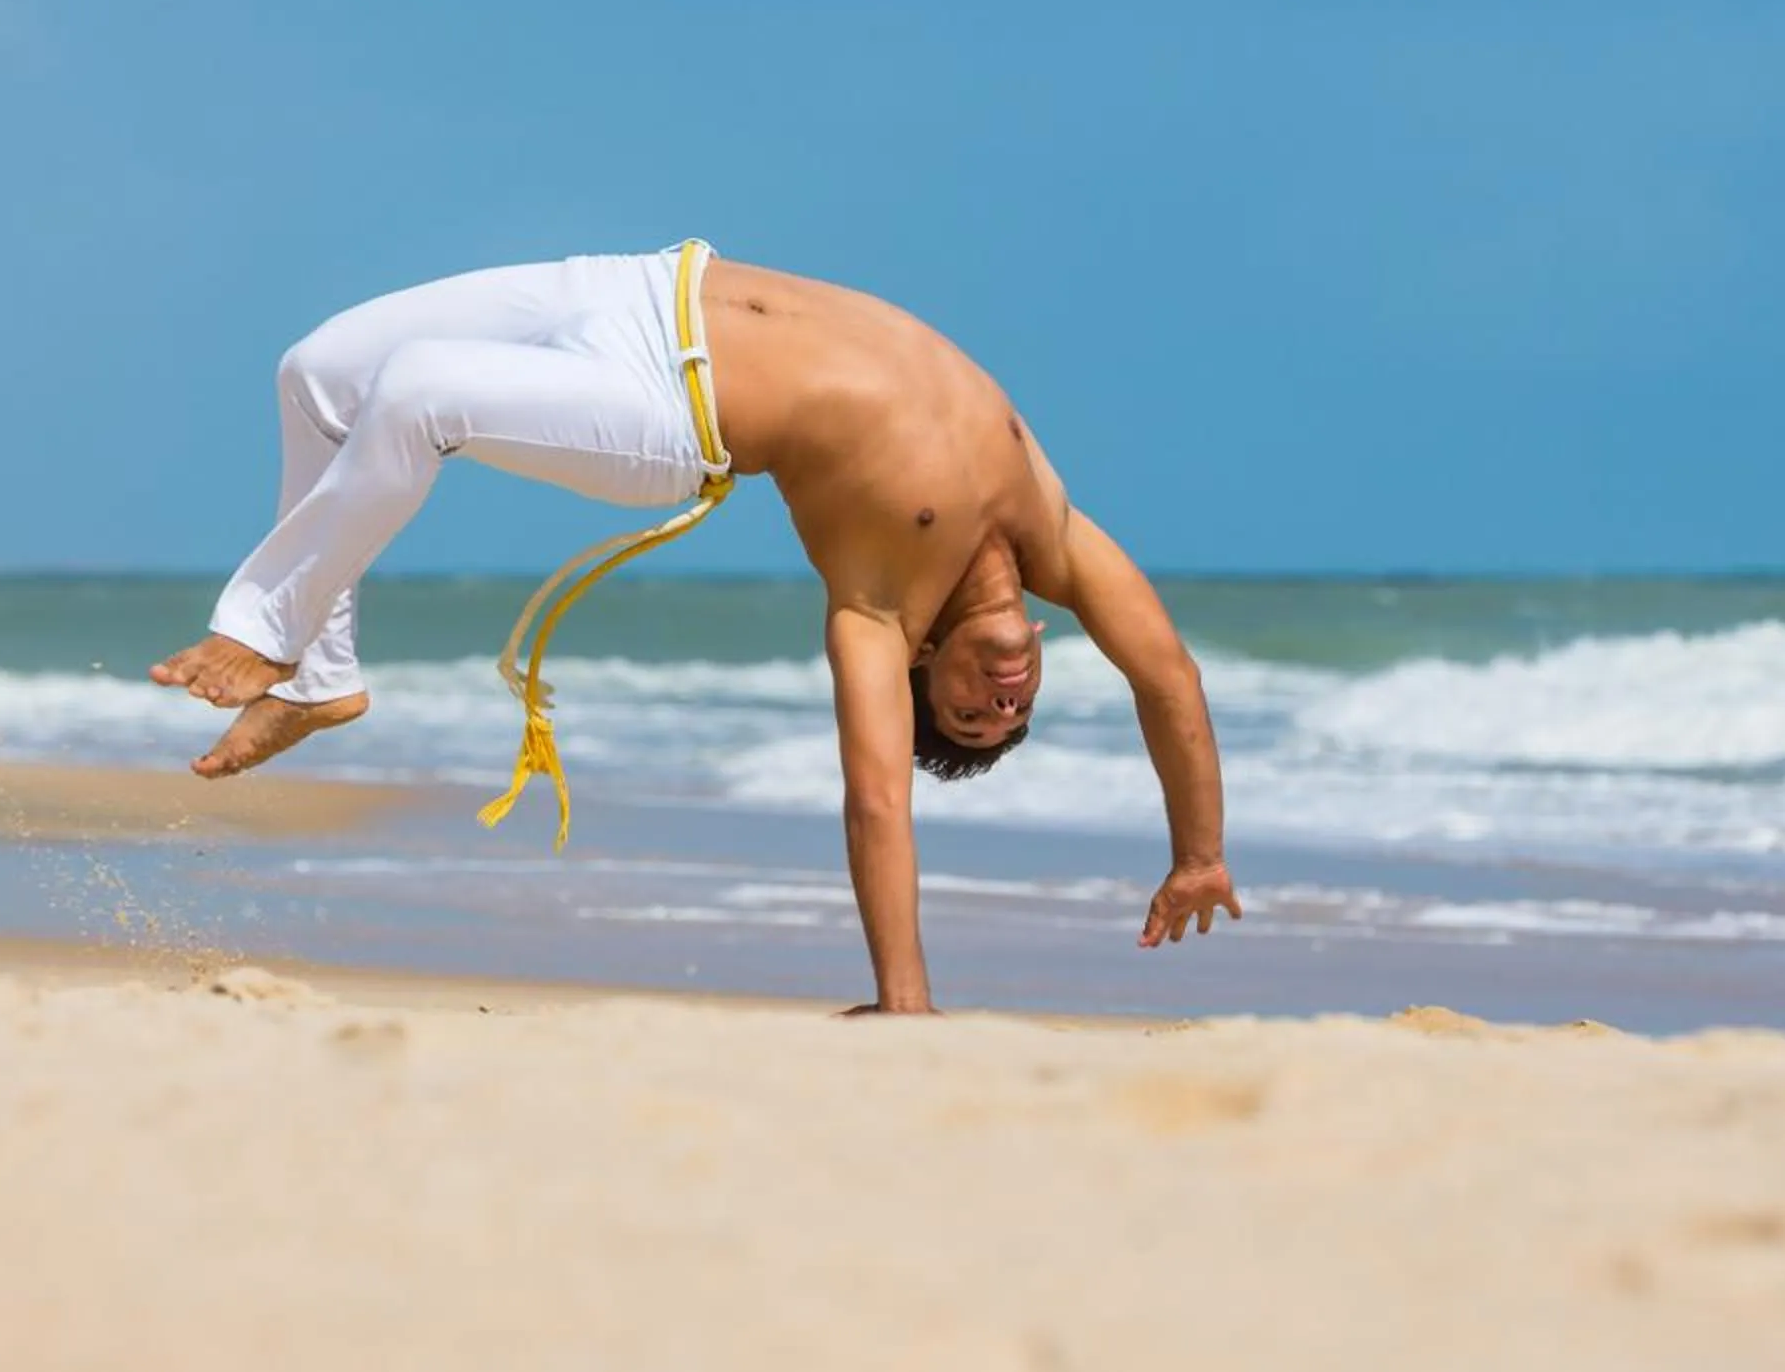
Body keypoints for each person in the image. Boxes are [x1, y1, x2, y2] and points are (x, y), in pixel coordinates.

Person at [151, 241, 1242, 1013]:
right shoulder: (1052, 531)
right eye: (1013, 711)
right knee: (318, 370)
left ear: (919, 662)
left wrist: (903, 1005)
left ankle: (267, 628)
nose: (1001, 697)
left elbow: (876, 802)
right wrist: (1198, 853)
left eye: (971, 712)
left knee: (421, 392)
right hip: (639, 286)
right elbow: (1169, 678)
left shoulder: (874, 610)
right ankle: (318, 677)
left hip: (671, 414)